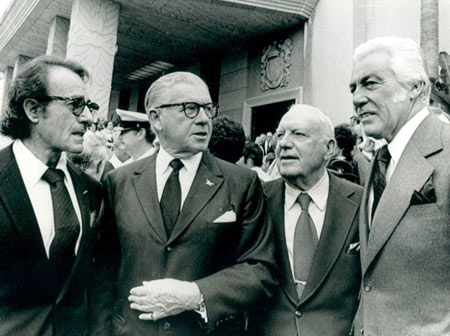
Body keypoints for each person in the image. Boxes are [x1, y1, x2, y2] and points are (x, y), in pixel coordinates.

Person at [90, 71, 277, 335]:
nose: (203, 119)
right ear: (156, 118)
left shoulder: (241, 182)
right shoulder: (118, 181)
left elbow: (261, 269)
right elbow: (102, 273)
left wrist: (195, 295)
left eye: (207, 109)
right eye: (190, 108)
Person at [350, 36, 450, 336]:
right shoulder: (381, 159)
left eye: (370, 83)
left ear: (415, 88)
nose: (356, 98)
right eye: (353, 88)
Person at [0, 55, 102, 335]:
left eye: (89, 106)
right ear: (33, 109)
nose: (89, 118)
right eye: (76, 105)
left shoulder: (92, 190)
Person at [248, 104, 363, 336]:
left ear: (329, 148)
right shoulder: (256, 200)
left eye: (298, 134)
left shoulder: (360, 201)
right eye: (280, 135)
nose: (284, 143)